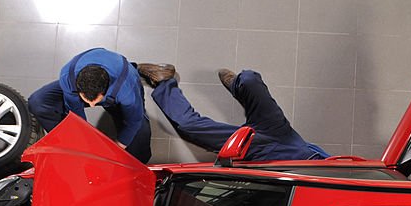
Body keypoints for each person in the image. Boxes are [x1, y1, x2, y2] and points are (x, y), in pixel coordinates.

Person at [137, 64, 329, 162]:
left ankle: (163, 81)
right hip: (285, 136)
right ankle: (240, 87)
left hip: (258, 152)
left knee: (190, 126)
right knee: (249, 79)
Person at [28, 47, 152, 163]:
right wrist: (84, 145)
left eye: (95, 101)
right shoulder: (68, 77)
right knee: (38, 102)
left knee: (139, 141)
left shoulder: (126, 89)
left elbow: (133, 121)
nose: (91, 106)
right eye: (87, 101)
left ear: (105, 91)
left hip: (124, 76)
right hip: (86, 78)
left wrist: (117, 148)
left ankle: (137, 68)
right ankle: (68, 145)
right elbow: (76, 115)